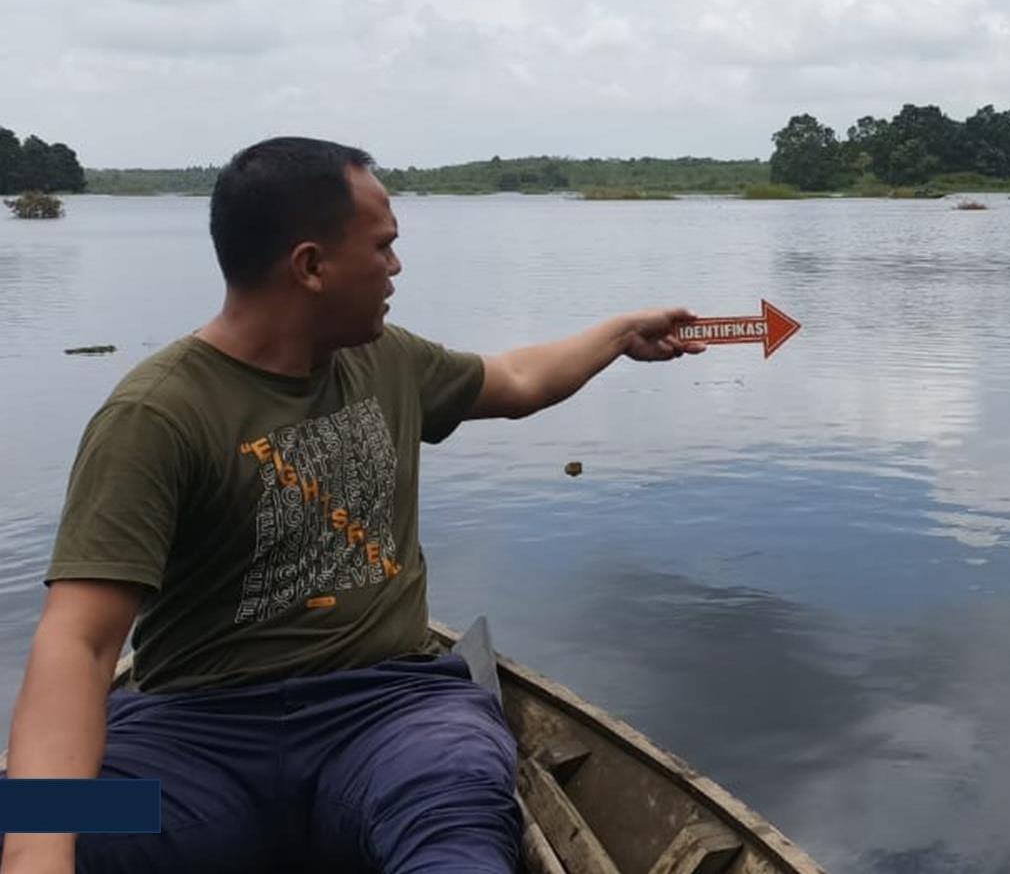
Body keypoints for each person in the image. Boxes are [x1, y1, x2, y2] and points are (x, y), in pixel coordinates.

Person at [0, 137, 705, 874]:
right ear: (310, 266)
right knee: (39, 823)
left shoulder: (387, 361)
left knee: (454, 805)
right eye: (383, 247)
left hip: (389, 719)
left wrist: (622, 334)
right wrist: (37, 855)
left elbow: (518, 379)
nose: (396, 268)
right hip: (199, 745)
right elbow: (78, 644)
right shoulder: (158, 415)